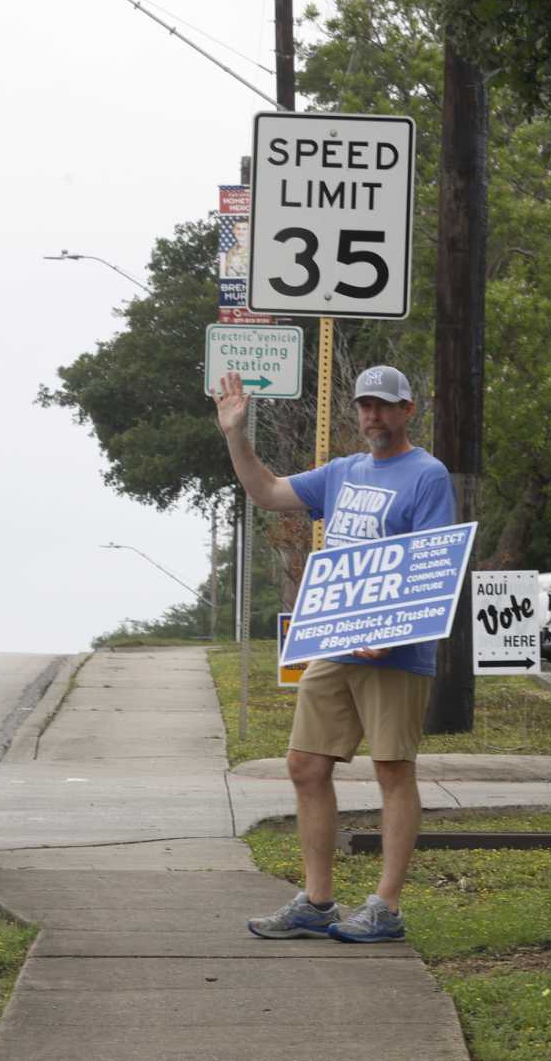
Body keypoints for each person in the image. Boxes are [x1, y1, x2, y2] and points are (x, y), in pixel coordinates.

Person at [213, 364, 454, 943]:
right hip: (335, 642)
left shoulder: (427, 475)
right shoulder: (342, 473)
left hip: (394, 652)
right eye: (365, 405)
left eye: (385, 405)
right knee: (305, 766)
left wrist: (394, 633)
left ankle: (385, 908)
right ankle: (317, 902)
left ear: (407, 410)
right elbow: (267, 492)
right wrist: (235, 436)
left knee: (393, 771)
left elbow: (435, 560)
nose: (373, 415)